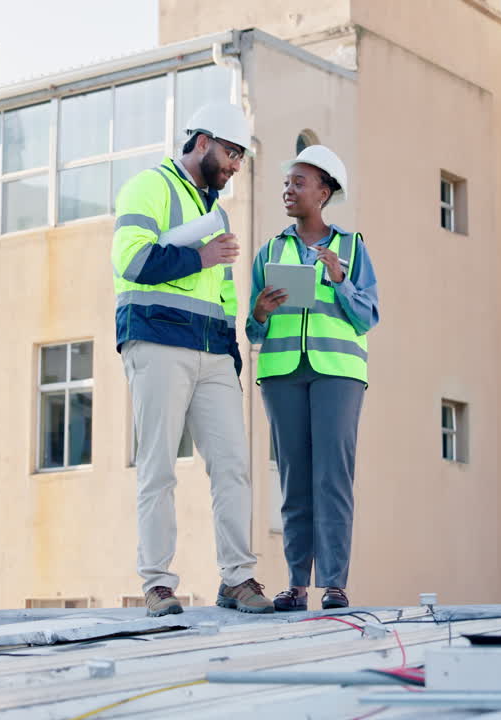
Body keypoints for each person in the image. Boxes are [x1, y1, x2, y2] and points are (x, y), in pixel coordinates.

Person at [111, 103, 274, 617]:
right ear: (202, 142)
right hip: (156, 342)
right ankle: (158, 584)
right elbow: (132, 261)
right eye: (231, 154)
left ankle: (238, 579)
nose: (234, 167)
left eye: (241, 159)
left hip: (212, 355)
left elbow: (223, 294)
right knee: (157, 468)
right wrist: (200, 256)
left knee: (233, 466)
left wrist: (229, 354)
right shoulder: (148, 187)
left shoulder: (216, 213)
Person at [247, 145, 380, 611]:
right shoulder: (270, 250)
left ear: (323, 193)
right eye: (286, 183)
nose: (288, 189)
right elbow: (252, 328)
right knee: (293, 480)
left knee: (332, 479)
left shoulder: (351, 247)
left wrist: (340, 279)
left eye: (298, 183)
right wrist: (259, 313)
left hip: (337, 375)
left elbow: (368, 316)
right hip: (283, 373)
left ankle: (335, 584)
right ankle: (296, 585)